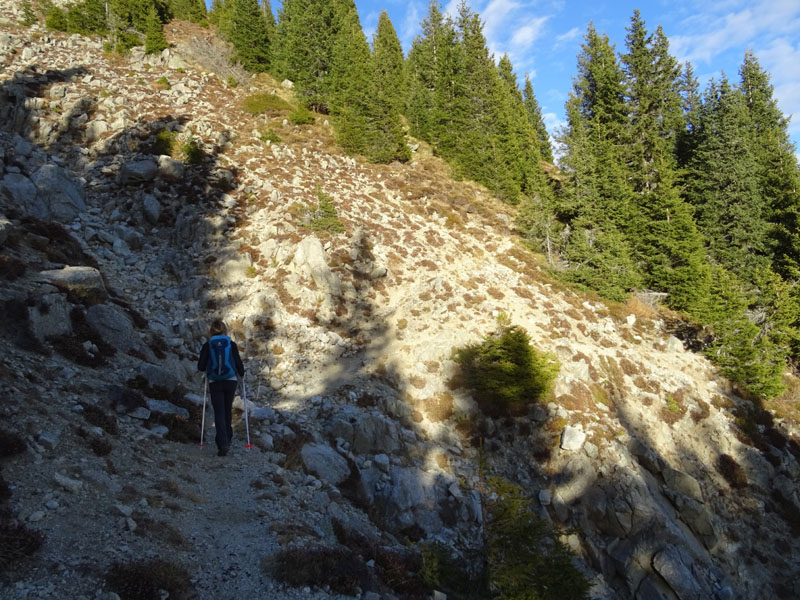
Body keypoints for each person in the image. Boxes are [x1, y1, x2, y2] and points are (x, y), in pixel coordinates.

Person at [197, 319, 245, 456]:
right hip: (230, 381)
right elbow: (239, 365)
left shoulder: (208, 345)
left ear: (211, 331)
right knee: (227, 410)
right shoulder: (231, 344)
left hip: (215, 382)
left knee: (218, 412)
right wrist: (241, 373)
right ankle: (228, 438)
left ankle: (222, 443)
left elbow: (200, 366)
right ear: (225, 330)